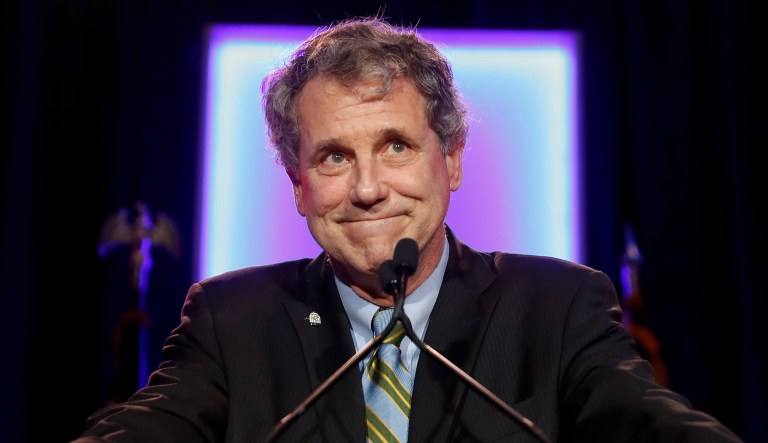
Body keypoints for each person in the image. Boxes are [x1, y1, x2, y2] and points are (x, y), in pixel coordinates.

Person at [73, 16, 742, 443]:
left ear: (450, 160)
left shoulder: (558, 307)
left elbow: (645, 420)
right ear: (298, 185)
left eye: (396, 145)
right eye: (334, 156)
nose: (367, 189)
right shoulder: (231, 320)